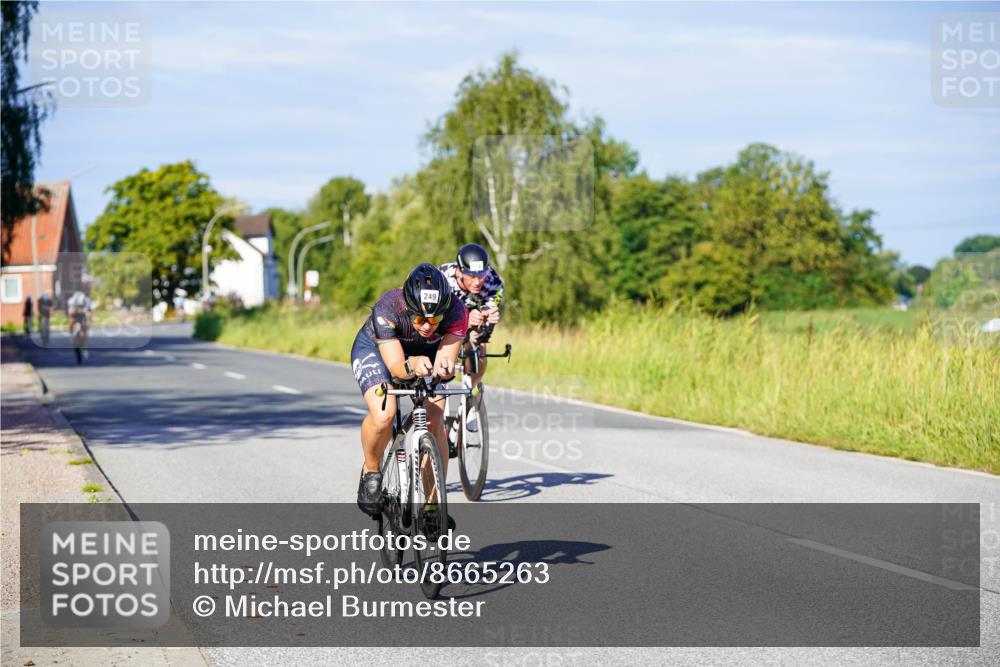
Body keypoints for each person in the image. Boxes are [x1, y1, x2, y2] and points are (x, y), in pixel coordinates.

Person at [350, 263, 468, 521]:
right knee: (385, 414)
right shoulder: (388, 307)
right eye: (419, 319)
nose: (427, 326)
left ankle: (433, 506)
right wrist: (412, 366)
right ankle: (371, 471)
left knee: (436, 420)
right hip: (379, 350)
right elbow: (395, 368)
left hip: (424, 354)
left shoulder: (458, 311)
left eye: (435, 319)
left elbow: (446, 363)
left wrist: (445, 368)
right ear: (408, 308)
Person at [439, 243, 505, 390]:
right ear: (460, 272)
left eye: (481, 275)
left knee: (479, 349)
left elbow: (490, 306)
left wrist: (488, 316)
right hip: (445, 319)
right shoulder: (443, 278)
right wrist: (465, 318)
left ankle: (470, 391)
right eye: (471, 276)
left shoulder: (492, 280)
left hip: (473, 315)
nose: (477, 281)